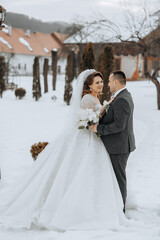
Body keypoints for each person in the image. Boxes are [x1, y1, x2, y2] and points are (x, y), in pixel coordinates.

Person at [0, 69, 126, 231]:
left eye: (102, 82)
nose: (101, 85)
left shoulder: (95, 97)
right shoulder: (87, 98)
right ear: (88, 85)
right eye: (97, 82)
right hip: (85, 137)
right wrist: (99, 115)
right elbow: (85, 119)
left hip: (93, 137)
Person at [90, 70, 136, 213]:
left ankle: (119, 210)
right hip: (119, 145)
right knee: (116, 178)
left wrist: (98, 128)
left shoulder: (122, 99)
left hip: (119, 146)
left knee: (118, 179)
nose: (107, 84)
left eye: (109, 81)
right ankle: (115, 206)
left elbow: (119, 125)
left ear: (116, 82)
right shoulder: (122, 96)